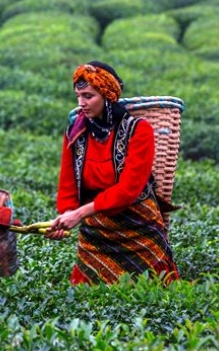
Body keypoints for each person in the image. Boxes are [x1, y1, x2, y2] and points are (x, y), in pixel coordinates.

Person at [45, 61, 179, 285]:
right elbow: (67, 184)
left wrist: (79, 214)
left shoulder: (138, 130)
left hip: (138, 228)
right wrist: (65, 216)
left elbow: (129, 190)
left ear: (107, 95)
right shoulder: (75, 132)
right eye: (78, 96)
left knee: (152, 292)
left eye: (88, 96)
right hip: (96, 233)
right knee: (88, 297)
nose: (81, 103)